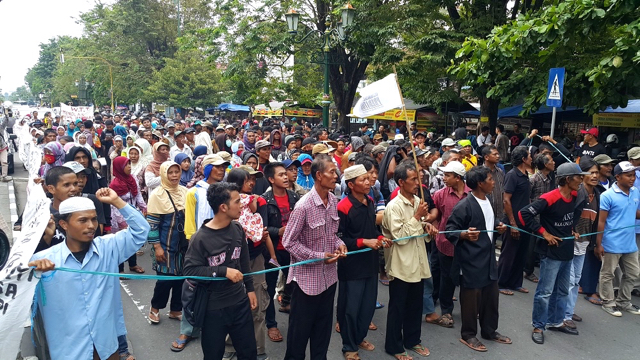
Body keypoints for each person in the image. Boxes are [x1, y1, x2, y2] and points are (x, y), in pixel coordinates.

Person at [29, 189, 149, 360]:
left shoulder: (108, 248)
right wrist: (32, 273)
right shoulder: (42, 261)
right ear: (64, 224)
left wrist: (117, 201)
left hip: (106, 347)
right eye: (83, 220)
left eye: (93, 219)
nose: (91, 226)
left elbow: (141, 231)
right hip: (68, 351)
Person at [281, 154, 347, 360]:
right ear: (319, 175)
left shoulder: (333, 200)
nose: (336, 176)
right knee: (298, 338)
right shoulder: (303, 206)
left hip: (328, 280)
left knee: (322, 334)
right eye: (331, 172)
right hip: (306, 284)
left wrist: (340, 245)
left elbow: (332, 235)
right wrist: (319, 256)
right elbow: (288, 242)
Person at [183, 182, 258, 360]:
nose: (242, 205)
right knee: (213, 354)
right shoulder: (200, 238)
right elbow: (190, 270)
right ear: (223, 207)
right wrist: (223, 271)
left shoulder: (238, 229)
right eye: (238, 202)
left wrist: (250, 288)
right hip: (213, 310)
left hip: (240, 303)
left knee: (248, 353)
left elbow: (244, 261)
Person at [519, 162, 588, 344]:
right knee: (545, 292)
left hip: (567, 250)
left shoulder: (574, 196)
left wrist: (572, 230)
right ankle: (538, 326)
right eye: (579, 177)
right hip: (550, 252)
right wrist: (544, 233)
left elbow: (567, 219)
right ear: (567, 179)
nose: (581, 180)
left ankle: (556, 321)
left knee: (563, 290)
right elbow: (523, 214)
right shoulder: (550, 197)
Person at [445, 166, 510, 352]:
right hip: (470, 260)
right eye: (490, 179)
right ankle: (468, 335)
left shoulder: (488, 199)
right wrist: (464, 235)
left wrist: (499, 225)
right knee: (471, 300)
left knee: (491, 296)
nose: (493, 182)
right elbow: (450, 230)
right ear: (480, 183)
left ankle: (490, 331)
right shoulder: (464, 205)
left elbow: (489, 221)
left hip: (488, 258)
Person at [382, 161, 437, 360]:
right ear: (401, 182)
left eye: (418, 178)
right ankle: (394, 346)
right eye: (414, 179)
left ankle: (413, 340)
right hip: (401, 264)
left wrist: (427, 227)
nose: (418, 182)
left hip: (418, 261)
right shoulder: (393, 206)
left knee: (415, 305)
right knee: (398, 308)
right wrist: (417, 217)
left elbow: (418, 228)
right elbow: (399, 237)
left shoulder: (417, 200)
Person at [337, 164, 391, 360]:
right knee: (350, 308)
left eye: (368, 178)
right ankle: (348, 346)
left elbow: (371, 231)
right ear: (351, 185)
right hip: (351, 265)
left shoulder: (369, 201)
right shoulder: (343, 207)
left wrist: (379, 238)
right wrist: (363, 242)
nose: (369, 182)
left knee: (368, 306)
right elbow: (339, 239)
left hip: (369, 262)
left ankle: (359, 337)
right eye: (363, 180)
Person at [259, 162, 301, 342]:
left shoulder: (295, 197)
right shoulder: (264, 200)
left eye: (286, 174)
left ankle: (294, 317)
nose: (286, 177)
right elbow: (262, 228)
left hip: (293, 250)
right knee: (268, 289)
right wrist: (279, 231)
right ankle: (271, 324)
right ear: (270, 179)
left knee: (296, 285)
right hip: (273, 252)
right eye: (281, 174)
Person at [596, 161, 640, 317]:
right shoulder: (607, 196)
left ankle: (623, 301)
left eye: (634, 175)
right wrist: (599, 244)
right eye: (628, 175)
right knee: (608, 274)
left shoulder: (635, 192)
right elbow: (601, 221)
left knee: (633, 274)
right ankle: (608, 302)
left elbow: (635, 212)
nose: (632, 178)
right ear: (618, 177)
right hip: (612, 243)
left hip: (630, 243)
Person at [146, 161, 188, 324]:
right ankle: (155, 309)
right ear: (163, 174)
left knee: (181, 279)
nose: (174, 176)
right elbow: (152, 225)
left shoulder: (185, 191)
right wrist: (157, 247)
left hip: (183, 245)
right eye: (170, 173)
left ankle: (175, 309)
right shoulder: (157, 194)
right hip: (165, 245)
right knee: (165, 281)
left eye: (177, 172)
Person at [430, 160, 470, 328]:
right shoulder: (440, 194)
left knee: (466, 277)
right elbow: (436, 214)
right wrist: (428, 224)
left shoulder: (472, 194)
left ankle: (470, 308)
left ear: (458, 178)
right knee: (446, 277)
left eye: (447, 175)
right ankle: (446, 310)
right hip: (445, 242)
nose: (444, 178)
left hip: (467, 244)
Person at [566, 158, 601, 328]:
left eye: (597, 172)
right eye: (591, 172)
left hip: (585, 242)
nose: (595, 176)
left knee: (576, 279)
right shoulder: (577, 192)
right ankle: (564, 315)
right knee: (569, 280)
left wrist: (594, 242)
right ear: (582, 174)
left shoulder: (597, 194)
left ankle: (569, 311)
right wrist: (570, 230)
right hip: (571, 242)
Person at [497, 146, 532, 295]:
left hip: (525, 222)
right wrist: (513, 224)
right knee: (509, 254)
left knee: (521, 254)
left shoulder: (525, 175)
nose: (532, 158)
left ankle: (516, 283)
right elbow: (506, 200)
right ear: (523, 159)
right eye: (529, 155)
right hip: (513, 222)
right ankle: (501, 283)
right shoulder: (512, 175)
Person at [110, 156, 146, 275]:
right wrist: (122, 222)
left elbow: (138, 194)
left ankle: (133, 264)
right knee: (120, 242)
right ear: (119, 167)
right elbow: (114, 205)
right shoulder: (114, 185)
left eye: (130, 164)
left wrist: (143, 207)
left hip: (132, 213)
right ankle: (120, 269)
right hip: (119, 216)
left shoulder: (133, 178)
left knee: (132, 240)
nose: (129, 167)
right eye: (126, 165)